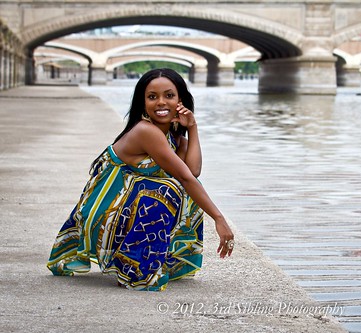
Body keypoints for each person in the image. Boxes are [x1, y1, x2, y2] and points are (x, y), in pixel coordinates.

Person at [47, 68, 234, 291]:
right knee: (167, 189)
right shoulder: (146, 131)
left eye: (169, 95)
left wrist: (192, 127)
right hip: (104, 214)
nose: (161, 102)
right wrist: (219, 218)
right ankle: (134, 268)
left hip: (125, 212)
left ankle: (161, 260)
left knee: (189, 190)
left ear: (180, 100)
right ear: (142, 102)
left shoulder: (173, 138)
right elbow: (185, 177)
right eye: (152, 97)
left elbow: (193, 172)